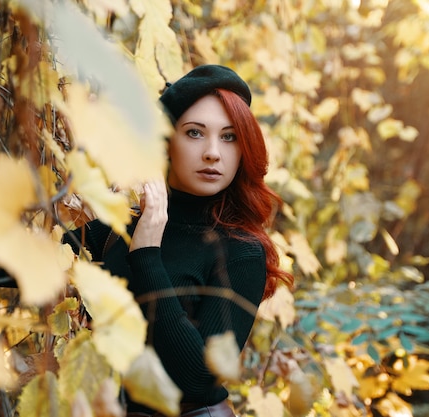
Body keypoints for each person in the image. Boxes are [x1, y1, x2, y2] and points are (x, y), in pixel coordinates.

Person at [65, 64, 294, 416]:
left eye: (229, 136)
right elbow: (25, 263)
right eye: (194, 133)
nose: (213, 153)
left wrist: (146, 255)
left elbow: (197, 378)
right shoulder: (124, 226)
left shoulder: (241, 251)